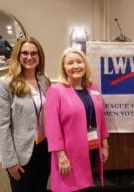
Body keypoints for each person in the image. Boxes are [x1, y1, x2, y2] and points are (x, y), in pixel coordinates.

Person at [45, 48, 109, 192]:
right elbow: (52, 128)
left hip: (91, 149)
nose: (76, 66)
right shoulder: (56, 91)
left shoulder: (93, 87)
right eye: (70, 63)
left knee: (88, 185)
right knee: (72, 188)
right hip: (69, 154)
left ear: (85, 65)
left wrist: (104, 145)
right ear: (64, 67)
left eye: (79, 62)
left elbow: (101, 118)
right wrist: (61, 156)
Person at [0, 36, 51, 192]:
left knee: (40, 187)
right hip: (20, 152)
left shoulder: (44, 81)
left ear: (40, 56)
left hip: (44, 148)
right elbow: (2, 126)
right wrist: (10, 161)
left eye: (34, 53)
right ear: (18, 56)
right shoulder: (5, 83)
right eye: (25, 53)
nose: (29, 57)